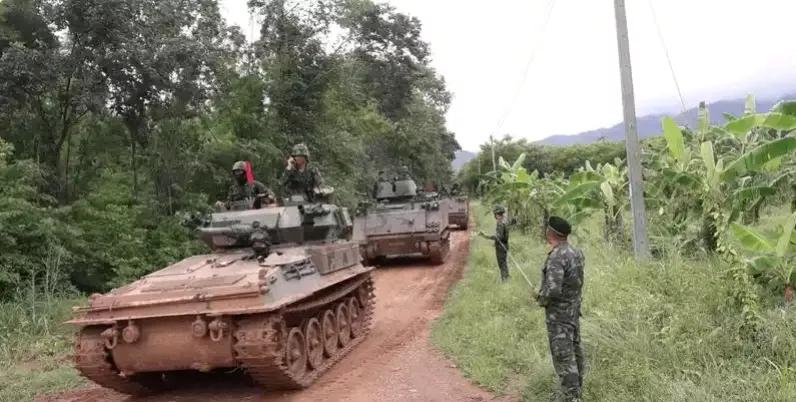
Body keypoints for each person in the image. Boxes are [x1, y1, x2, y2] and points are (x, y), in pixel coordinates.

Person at [536, 216, 586, 402]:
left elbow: (553, 289)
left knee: (564, 358)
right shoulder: (576, 252)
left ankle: (572, 397)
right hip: (573, 312)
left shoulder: (557, 256)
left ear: (550, 233)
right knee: (575, 352)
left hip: (559, 317)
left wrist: (541, 298)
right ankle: (577, 391)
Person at [478, 205, 510, 282]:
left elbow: (498, 237)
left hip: (501, 247)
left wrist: (485, 235)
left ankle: (505, 280)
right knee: (504, 263)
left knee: (502, 264)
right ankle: (507, 278)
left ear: (497, 214)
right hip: (505, 245)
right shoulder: (505, 221)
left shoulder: (500, 223)